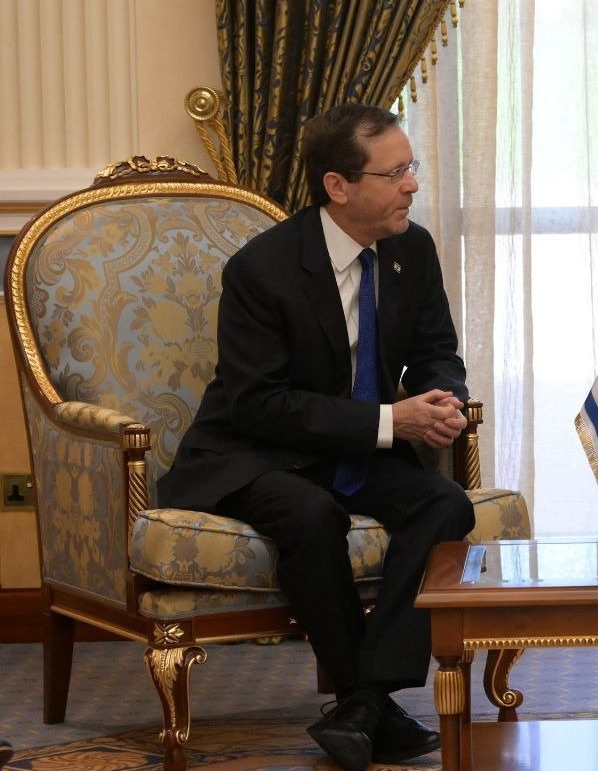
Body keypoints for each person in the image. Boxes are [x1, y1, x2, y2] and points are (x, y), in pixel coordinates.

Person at [159, 103, 476, 771]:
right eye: (395, 174)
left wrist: (441, 396)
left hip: (353, 446)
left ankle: (363, 701)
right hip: (255, 451)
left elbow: (436, 349)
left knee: (445, 503)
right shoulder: (262, 270)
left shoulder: (409, 250)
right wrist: (393, 421)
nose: (412, 186)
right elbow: (260, 404)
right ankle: (367, 700)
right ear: (339, 186)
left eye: (410, 168)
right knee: (309, 514)